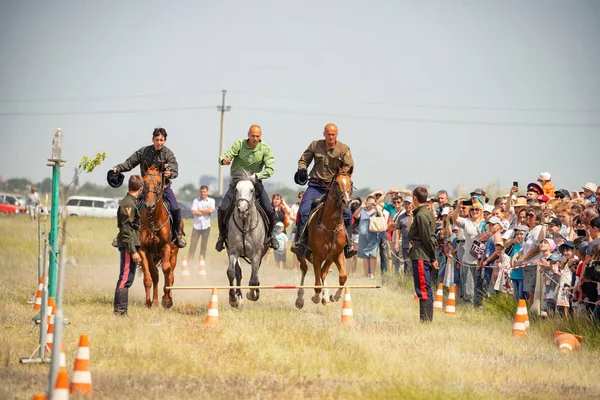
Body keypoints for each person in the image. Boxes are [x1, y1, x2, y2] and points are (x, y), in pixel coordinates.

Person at [112, 127, 186, 248]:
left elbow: (175, 169)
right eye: (157, 139)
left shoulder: (168, 154)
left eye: (161, 140)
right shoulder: (143, 151)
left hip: (163, 188)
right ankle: (121, 234)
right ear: (153, 139)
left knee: (176, 209)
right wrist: (117, 168)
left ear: (165, 140)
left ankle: (177, 235)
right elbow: (129, 163)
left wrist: (170, 173)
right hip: (145, 188)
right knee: (128, 207)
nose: (159, 142)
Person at [291, 123, 356, 259]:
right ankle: (300, 243)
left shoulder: (344, 149)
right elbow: (304, 159)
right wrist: (302, 169)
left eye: (333, 134)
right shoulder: (315, 145)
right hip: (315, 186)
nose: (330, 137)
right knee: (303, 211)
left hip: (334, 189)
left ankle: (349, 245)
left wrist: (340, 176)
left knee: (348, 213)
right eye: (328, 134)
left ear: (336, 135)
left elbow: (349, 166)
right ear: (324, 134)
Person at [215, 124, 279, 251]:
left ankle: (271, 236)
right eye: (253, 136)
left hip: (255, 184)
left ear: (260, 136)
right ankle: (222, 236)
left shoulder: (265, 149)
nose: (255, 139)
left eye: (257, 136)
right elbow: (225, 156)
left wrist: (256, 176)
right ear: (248, 135)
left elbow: (270, 169)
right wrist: (224, 160)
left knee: (270, 210)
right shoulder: (239, 144)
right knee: (222, 209)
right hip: (237, 183)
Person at [114, 175, 143, 316]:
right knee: (125, 277)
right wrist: (133, 251)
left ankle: (122, 311)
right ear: (141, 188)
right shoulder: (128, 204)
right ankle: (120, 311)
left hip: (131, 244)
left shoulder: (132, 202)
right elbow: (126, 231)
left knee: (128, 278)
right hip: (128, 245)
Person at [408, 187, 438, 322]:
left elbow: (427, 238)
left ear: (415, 198)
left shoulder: (421, 215)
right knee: (424, 287)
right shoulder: (423, 213)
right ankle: (426, 320)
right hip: (422, 254)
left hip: (421, 254)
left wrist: (433, 257)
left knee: (423, 288)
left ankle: (425, 320)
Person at [188, 185, 215, 263]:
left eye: (204, 192)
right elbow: (193, 212)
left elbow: (210, 211)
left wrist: (200, 211)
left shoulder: (211, 200)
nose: (203, 193)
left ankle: (201, 262)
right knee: (193, 245)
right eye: (201, 192)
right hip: (196, 226)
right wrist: (205, 211)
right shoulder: (196, 200)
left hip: (206, 226)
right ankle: (190, 261)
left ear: (207, 192)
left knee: (203, 245)